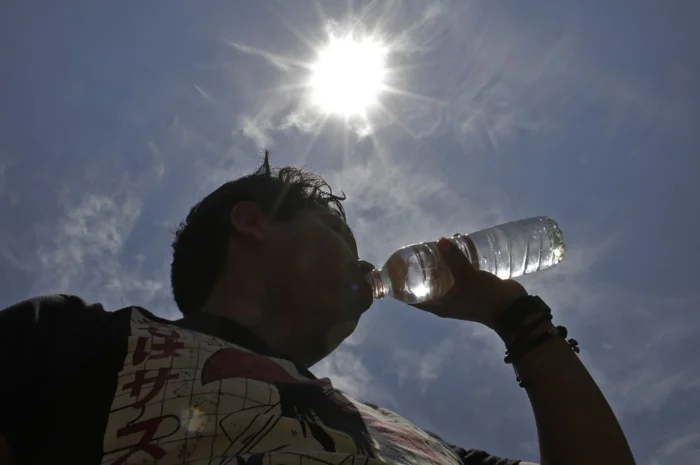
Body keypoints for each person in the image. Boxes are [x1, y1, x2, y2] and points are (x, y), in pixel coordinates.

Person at [0, 151, 635, 465]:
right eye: (340, 237)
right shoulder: (75, 336)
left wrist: (517, 319)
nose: (366, 266)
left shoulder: (414, 443)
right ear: (253, 223)